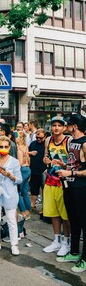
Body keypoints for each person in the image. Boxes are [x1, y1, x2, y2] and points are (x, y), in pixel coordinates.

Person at [57, 114, 86, 272]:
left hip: (82, 188)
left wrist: (71, 174)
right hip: (70, 188)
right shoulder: (72, 142)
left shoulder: (85, 143)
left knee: (83, 222)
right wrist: (64, 165)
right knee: (73, 220)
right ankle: (74, 252)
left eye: (67, 125)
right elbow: (75, 164)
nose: (65, 127)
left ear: (74, 126)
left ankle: (85, 259)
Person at [0, 136, 23, 256]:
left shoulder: (14, 161)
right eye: (1, 146)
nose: (3, 149)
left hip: (10, 194)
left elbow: (19, 180)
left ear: (9, 147)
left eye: (6, 147)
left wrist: (10, 175)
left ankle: (14, 244)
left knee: (11, 220)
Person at [42, 116, 71, 257]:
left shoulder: (69, 141)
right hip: (50, 180)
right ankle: (56, 240)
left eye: (60, 125)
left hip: (64, 182)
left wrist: (63, 164)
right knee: (53, 212)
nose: (56, 128)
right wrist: (46, 161)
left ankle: (66, 242)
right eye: (54, 125)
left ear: (65, 127)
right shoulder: (48, 140)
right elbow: (45, 158)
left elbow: (75, 164)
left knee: (65, 214)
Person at [28, 129, 46, 212]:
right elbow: (27, 153)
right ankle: (32, 205)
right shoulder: (33, 143)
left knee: (44, 190)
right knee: (33, 189)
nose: (38, 139)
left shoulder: (47, 144)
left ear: (45, 137)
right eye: (37, 137)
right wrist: (30, 153)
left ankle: (44, 207)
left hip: (43, 170)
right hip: (33, 170)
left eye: (41, 138)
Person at [16, 131, 32, 219]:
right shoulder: (25, 147)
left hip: (22, 170)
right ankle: (28, 210)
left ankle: (23, 212)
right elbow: (29, 160)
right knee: (25, 191)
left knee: (18, 192)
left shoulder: (19, 149)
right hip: (28, 169)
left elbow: (20, 162)